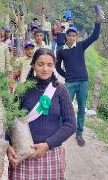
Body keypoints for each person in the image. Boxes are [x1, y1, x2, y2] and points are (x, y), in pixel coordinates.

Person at [8, 48, 76, 180]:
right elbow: (11, 121)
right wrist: (8, 146)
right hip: (24, 154)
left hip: (51, 154)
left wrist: (48, 145)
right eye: (40, 64)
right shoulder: (23, 89)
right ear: (33, 65)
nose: (45, 69)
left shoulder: (60, 90)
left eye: (49, 65)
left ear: (54, 66)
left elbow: (71, 124)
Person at [56, 10, 103, 147]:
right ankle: (60, 132)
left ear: (76, 36)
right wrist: (66, 75)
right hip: (70, 83)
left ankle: (79, 133)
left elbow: (94, 36)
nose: (71, 37)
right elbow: (58, 66)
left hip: (83, 81)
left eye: (74, 35)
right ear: (66, 36)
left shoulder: (81, 46)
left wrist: (98, 21)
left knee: (82, 108)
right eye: (69, 35)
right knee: (65, 106)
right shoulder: (62, 50)